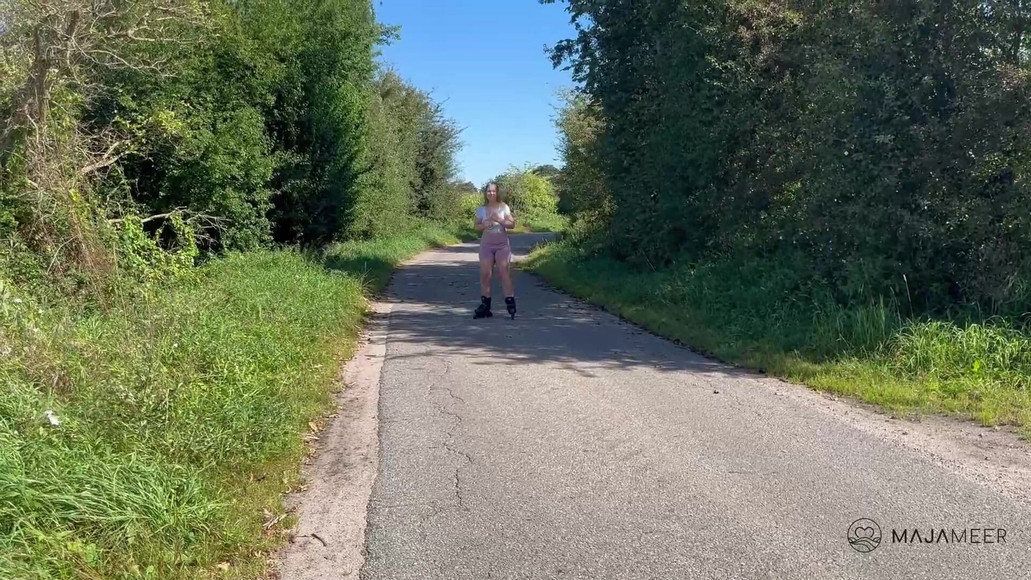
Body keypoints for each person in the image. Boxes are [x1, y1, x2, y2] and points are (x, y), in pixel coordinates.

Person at [473, 182, 517, 319]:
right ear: (485, 193)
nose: (491, 193)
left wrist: (500, 220)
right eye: (488, 191)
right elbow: (476, 226)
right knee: (485, 274)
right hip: (486, 245)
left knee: (504, 273)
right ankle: (485, 305)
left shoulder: (504, 207)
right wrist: (483, 225)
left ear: (497, 193)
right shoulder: (481, 209)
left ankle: (510, 302)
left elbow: (512, 224)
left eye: (493, 191)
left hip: (502, 246)